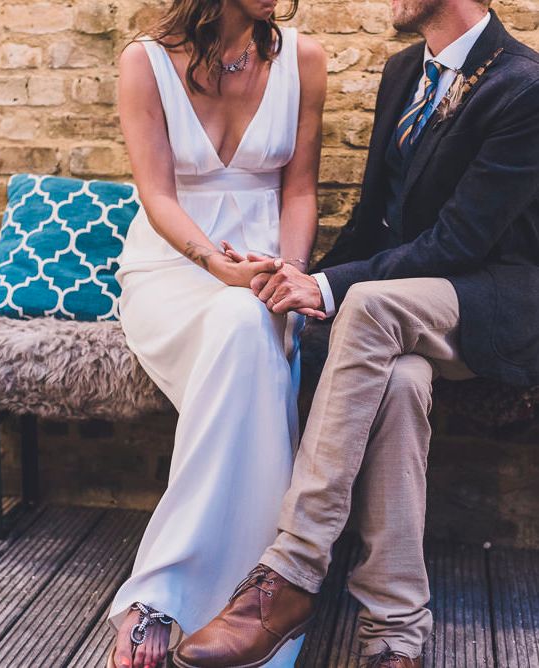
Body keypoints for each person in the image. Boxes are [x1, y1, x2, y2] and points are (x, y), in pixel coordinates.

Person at [174, 1, 539, 667]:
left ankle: (290, 571)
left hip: (497, 300)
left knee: (367, 308)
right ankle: (395, 634)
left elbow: (463, 240)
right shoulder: (405, 71)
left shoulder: (524, 86)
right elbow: (375, 219)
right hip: (406, 306)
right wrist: (298, 281)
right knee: (397, 380)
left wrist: (333, 290)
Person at [105, 1, 327, 667]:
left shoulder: (305, 61)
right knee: (240, 323)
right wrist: (215, 265)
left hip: (266, 267)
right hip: (174, 267)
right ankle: (256, 608)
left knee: (250, 322)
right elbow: (159, 194)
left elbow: (300, 191)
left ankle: (162, 599)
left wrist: (289, 273)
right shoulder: (143, 63)